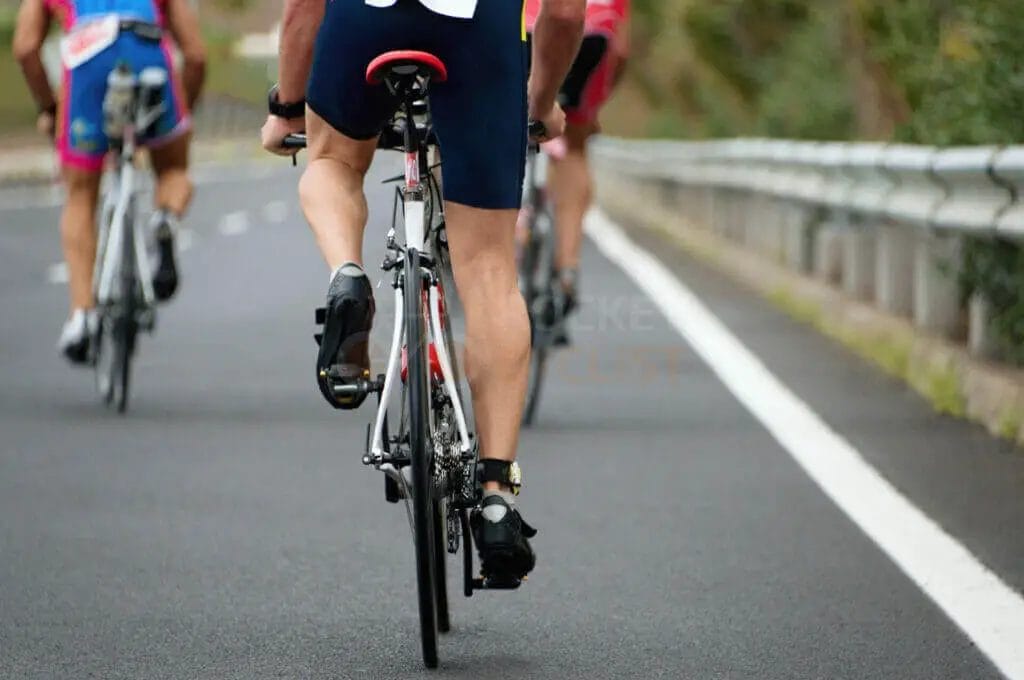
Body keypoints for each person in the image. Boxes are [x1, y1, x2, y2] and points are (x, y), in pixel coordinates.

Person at [261, 0, 585, 583]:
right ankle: (495, 497)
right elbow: (562, 13)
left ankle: (347, 276)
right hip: (477, 31)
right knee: (487, 267)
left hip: (365, 22)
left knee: (331, 159)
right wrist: (536, 105)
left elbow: (304, 9)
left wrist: (286, 108)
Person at [12, 0, 206, 363]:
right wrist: (182, 117)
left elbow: (25, 47)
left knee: (81, 194)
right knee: (173, 171)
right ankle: (164, 217)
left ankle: (82, 315)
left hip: (88, 61)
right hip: (149, 54)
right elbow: (195, 55)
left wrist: (49, 110)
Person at [525, 0, 630, 329]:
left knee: (506, 126)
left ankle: (508, 237)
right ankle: (567, 269)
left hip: (529, 27)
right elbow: (622, 51)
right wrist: (593, 111)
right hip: (593, 34)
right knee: (573, 148)